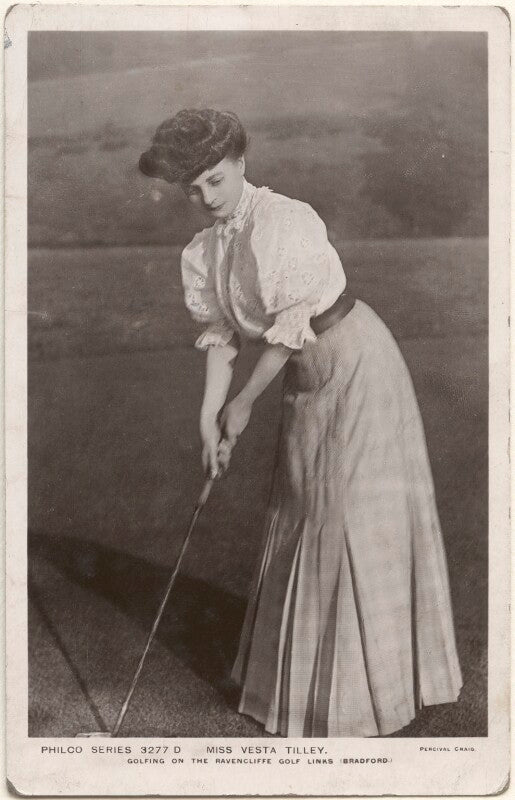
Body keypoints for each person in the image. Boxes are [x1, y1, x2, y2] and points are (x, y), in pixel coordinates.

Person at [139, 108, 463, 737]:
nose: (205, 197)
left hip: (357, 362)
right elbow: (224, 336)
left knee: (343, 518)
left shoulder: (283, 220)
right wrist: (211, 416)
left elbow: (293, 328)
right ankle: (309, 694)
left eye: (215, 180)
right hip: (304, 381)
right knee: (303, 512)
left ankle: (376, 697)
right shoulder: (204, 250)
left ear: (240, 165)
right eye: (193, 188)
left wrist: (245, 404)